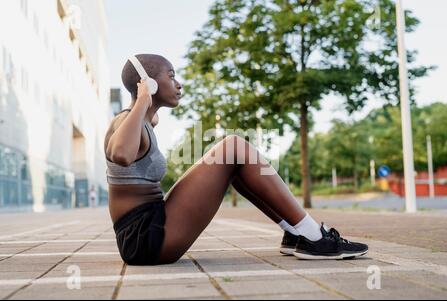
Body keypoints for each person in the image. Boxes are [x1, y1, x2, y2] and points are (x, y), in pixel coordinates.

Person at [104, 54, 368, 266]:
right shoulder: (126, 119)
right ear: (148, 83)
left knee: (235, 162)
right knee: (234, 147)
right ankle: (315, 237)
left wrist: (147, 110)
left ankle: (295, 232)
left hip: (149, 227)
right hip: (144, 238)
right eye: (171, 77)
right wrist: (142, 102)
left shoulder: (142, 121)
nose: (179, 83)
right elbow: (121, 154)